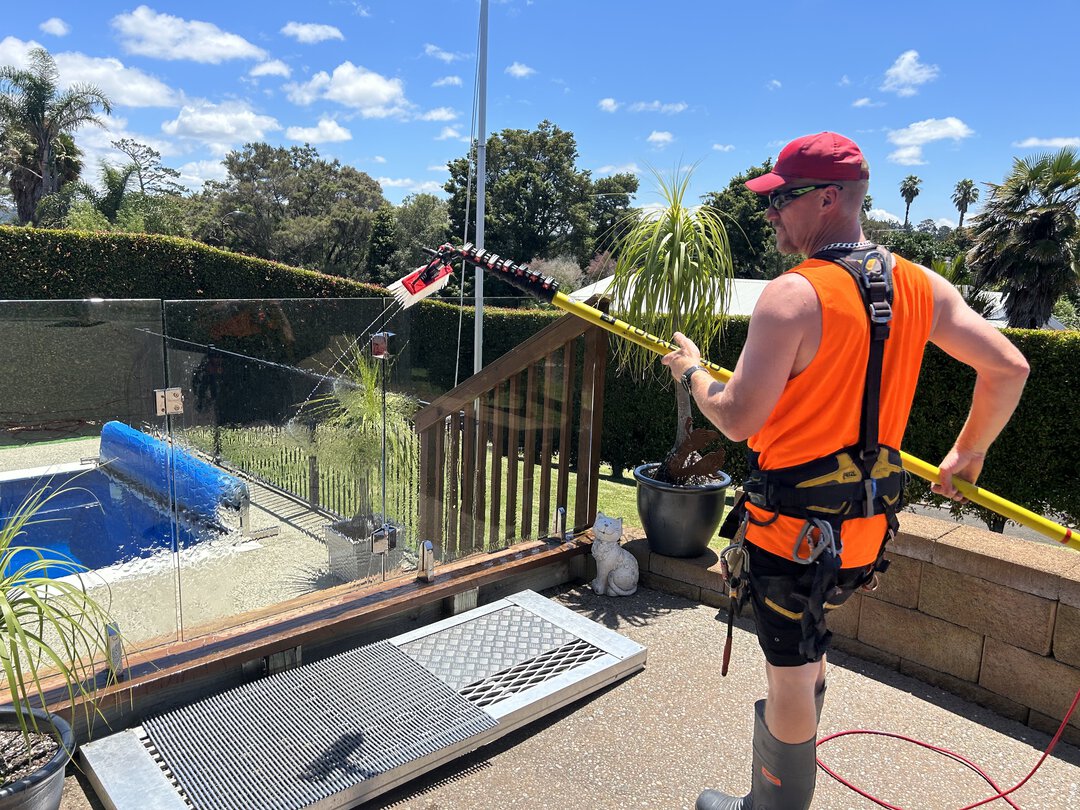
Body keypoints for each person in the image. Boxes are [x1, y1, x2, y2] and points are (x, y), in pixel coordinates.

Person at [661, 131, 1030, 810]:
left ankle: (772, 806)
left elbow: (739, 418)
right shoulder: (919, 284)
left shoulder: (792, 295)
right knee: (808, 646)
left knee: (790, 678)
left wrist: (692, 374)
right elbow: (1008, 367)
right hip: (862, 533)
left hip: (791, 533)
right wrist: (969, 450)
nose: (769, 213)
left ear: (828, 198)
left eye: (781, 199)